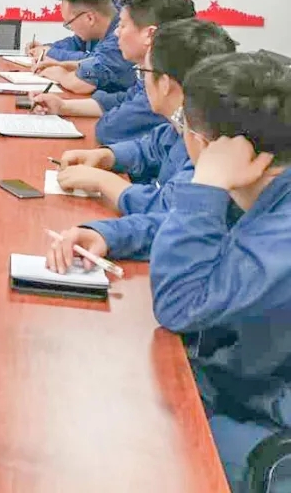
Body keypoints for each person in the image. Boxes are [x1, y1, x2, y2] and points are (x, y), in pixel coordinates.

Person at [51, 52, 291, 493]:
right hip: (236, 382)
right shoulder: (266, 186)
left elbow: (181, 304)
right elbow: (195, 226)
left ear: (208, 145)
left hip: (265, 426)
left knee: (112, 442)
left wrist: (206, 182)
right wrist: (110, 233)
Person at [49, 20, 237, 257]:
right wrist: (107, 156)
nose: (142, 82)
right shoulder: (186, 122)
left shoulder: (210, 140)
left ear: (165, 84)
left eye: (143, 72)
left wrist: (102, 181)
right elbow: (153, 147)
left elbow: (172, 211)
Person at [32, 0, 196, 145]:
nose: (117, 33)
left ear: (149, 34)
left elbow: (111, 129)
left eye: (122, 25)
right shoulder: (156, 69)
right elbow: (124, 99)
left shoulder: (168, 82)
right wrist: (63, 106)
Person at [30, 0, 133, 95]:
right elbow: (95, 61)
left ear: (90, 18)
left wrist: (61, 74)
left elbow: (84, 83)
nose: (71, 29)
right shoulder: (110, 29)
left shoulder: (120, 38)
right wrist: (60, 65)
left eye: (69, 23)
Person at [27, 0, 117, 61]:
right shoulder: (100, 22)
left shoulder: (121, 31)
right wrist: (47, 48)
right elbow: (76, 43)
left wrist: (50, 53)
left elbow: (97, 61)